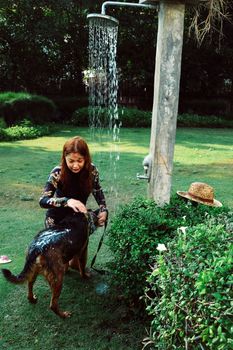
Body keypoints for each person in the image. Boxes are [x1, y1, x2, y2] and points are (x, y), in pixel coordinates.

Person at [39, 136, 108, 231]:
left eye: (80, 161)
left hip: (78, 219)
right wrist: (67, 201)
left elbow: (97, 190)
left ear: (86, 158)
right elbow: (43, 200)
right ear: (65, 158)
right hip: (56, 221)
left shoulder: (91, 171)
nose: (75, 166)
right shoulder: (57, 172)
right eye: (71, 161)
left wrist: (103, 209)